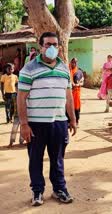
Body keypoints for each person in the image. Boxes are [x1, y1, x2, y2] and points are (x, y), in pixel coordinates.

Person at [17, 32, 77, 206]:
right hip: (36, 124)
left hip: (59, 122)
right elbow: (21, 97)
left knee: (57, 158)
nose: (52, 48)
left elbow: (69, 96)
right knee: (35, 159)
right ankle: (37, 191)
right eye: (48, 44)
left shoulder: (64, 69)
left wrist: (72, 119)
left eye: (55, 44)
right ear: (41, 46)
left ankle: (59, 189)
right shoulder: (29, 69)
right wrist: (24, 124)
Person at [69, 58, 84, 126]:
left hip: (76, 92)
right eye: (72, 62)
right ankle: (69, 121)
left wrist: (78, 84)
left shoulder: (79, 71)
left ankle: (76, 121)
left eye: (75, 62)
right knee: (68, 106)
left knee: (76, 106)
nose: (73, 64)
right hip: (68, 92)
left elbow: (82, 81)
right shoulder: (67, 70)